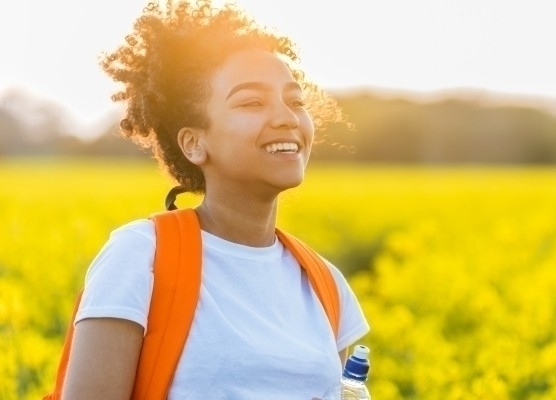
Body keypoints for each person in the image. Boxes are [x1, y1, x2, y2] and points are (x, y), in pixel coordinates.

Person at [62, 1, 369, 398]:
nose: (288, 118)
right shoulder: (142, 257)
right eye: (252, 102)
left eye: (296, 102)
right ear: (194, 143)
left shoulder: (325, 283)